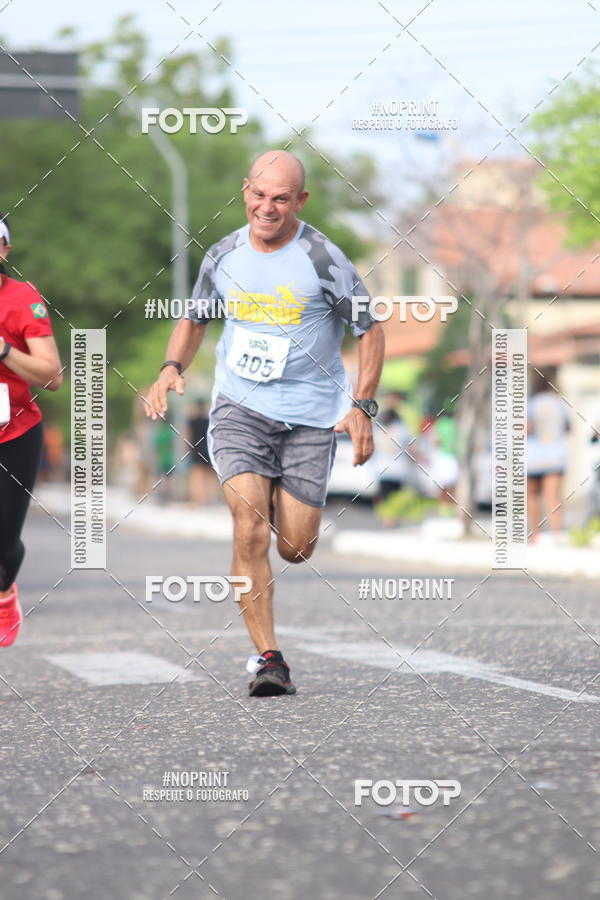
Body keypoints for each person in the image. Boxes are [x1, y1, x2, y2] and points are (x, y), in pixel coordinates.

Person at [144, 150, 384, 696]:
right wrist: (169, 368)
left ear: (300, 200)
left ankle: (277, 506)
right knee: (248, 523)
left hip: (310, 416)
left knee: (295, 547)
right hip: (240, 409)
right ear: (244, 189)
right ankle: (269, 659)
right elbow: (195, 318)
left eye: (281, 198)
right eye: (259, 195)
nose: (267, 207)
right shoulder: (224, 254)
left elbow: (370, 330)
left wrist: (362, 406)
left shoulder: (324, 259)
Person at [0, 214, 63, 646]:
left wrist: (3, 349)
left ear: (4, 250)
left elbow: (52, 375)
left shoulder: (22, 299)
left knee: (2, 551)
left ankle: (4, 589)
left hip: (14, 434)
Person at [527, 367, 570, 541]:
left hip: (534, 457)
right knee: (553, 497)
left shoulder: (530, 404)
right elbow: (568, 427)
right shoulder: (559, 404)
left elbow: (526, 428)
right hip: (555, 456)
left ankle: (535, 535)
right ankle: (556, 533)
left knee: (532, 496)